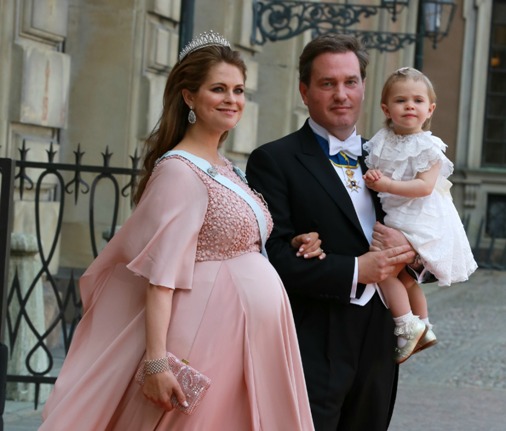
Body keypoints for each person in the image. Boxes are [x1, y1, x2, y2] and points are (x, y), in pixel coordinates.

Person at [40, 31, 319, 431]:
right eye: (218, 89)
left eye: (238, 90)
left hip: (250, 336)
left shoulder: (226, 166)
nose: (231, 99)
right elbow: (160, 277)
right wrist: (156, 362)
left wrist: (292, 241)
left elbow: (235, 238)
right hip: (208, 331)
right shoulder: (179, 171)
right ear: (189, 96)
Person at [246, 34, 417, 431]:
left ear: (363, 87)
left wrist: (412, 251)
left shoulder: (391, 157)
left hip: (380, 335)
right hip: (313, 336)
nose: (341, 94)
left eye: (350, 82)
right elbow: (271, 258)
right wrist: (356, 270)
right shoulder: (274, 160)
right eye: (327, 83)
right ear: (304, 91)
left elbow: (430, 226)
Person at [362, 67, 478, 364]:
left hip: (419, 216)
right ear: (386, 109)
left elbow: (424, 187)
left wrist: (386, 184)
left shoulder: (429, 146)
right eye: (401, 101)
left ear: (430, 110)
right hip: (397, 212)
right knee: (405, 278)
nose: (409, 106)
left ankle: (406, 324)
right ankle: (424, 326)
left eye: (417, 100)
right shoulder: (381, 140)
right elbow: (375, 171)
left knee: (383, 272)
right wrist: (375, 176)